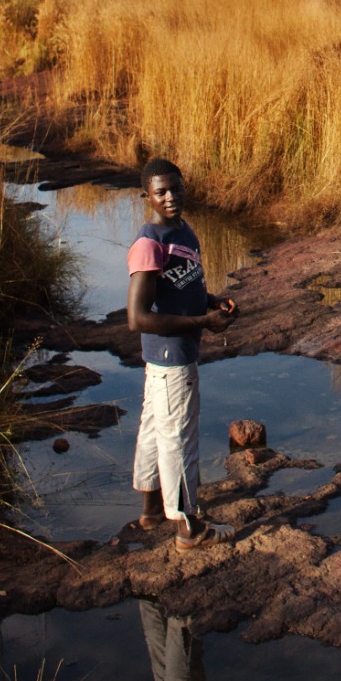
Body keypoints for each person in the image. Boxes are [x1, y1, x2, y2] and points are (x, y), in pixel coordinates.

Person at [127, 158, 237, 549]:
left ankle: (152, 510)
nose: (170, 197)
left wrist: (212, 302)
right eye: (161, 192)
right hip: (170, 356)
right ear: (148, 197)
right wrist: (203, 323)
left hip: (173, 355)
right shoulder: (149, 243)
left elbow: (184, 285)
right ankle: (189, 527)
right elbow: (138, 318)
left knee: (156, 427)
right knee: (179, 440)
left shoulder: (182, 232)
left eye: (176, 188)